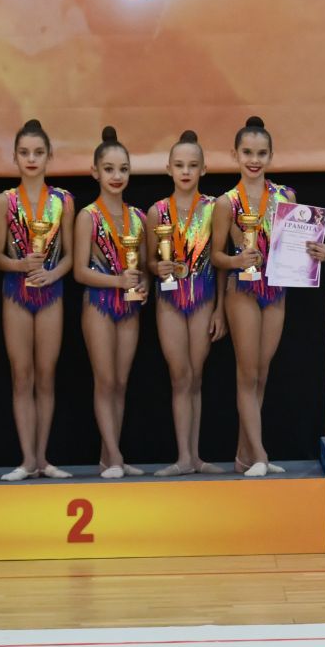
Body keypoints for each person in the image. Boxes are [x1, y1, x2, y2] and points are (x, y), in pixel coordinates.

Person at [210, 117, 325, 476]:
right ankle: (261, 454)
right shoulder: (226, 203)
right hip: (242, 290)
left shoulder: (285, 197)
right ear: (235, 155)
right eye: (247, 152)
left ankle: (244, 456)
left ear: (271, 156)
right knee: (246, 374)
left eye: (261, 153)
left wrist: (319, 252)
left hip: (276, 290)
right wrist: (236, 260)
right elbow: (216, 256)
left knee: (261, 374)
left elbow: (299, 245)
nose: (254, 160)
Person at [0, 118, 75, 481]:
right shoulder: (4, 201)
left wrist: (53, 274)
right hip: (16, 292)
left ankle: (43, 459)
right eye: (24, 152)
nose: (31, 158)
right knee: (22, 375)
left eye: (38, 152)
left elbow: (70, 255)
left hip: (51, 292)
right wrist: (19, 265)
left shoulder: (63, 200)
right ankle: (26, 460)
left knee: (46, 375)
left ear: (49, 156)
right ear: (14, 157)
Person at [147, 130, 229, 476]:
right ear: (168, 169)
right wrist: (157, 267)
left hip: (203, 296)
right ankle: (183, 457)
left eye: (192, 165)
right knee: (180, 376)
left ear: (203, 169)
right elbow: (148, 261)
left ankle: (195, 457)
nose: (185, 171)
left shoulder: (213, 208)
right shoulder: (157, 211)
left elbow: (221, 261)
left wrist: (220, 308)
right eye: (179, 165)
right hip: (169, 300)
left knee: (196, 376)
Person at [74, 127, 148, 479]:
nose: (116, 176)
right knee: (104, 381)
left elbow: (143, 269)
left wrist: (143, 286)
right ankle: (115, 456)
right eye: (109, 169)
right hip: (99, 304)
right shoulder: (87, 216)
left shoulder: (139, 218)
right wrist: (118, 281)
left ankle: (110, 458)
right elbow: (79, 272)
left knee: (120, 382)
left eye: (123, 169)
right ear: (95, 172)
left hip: (129, 307)